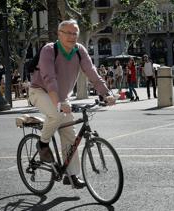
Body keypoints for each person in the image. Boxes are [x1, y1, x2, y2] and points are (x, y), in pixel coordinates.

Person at [29, 19, 116, 189]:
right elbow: (49, 78)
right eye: (67, 33)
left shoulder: (79, 51)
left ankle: (71, 174)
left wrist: (106, 94)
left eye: (74, 33)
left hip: (61, 97)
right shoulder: (49, 50)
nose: (72, 36)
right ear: (59, 34)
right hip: (40, 91)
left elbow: (91, 72)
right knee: (56, 114)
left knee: (70, 134)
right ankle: (43, 143)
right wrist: (59, 102)